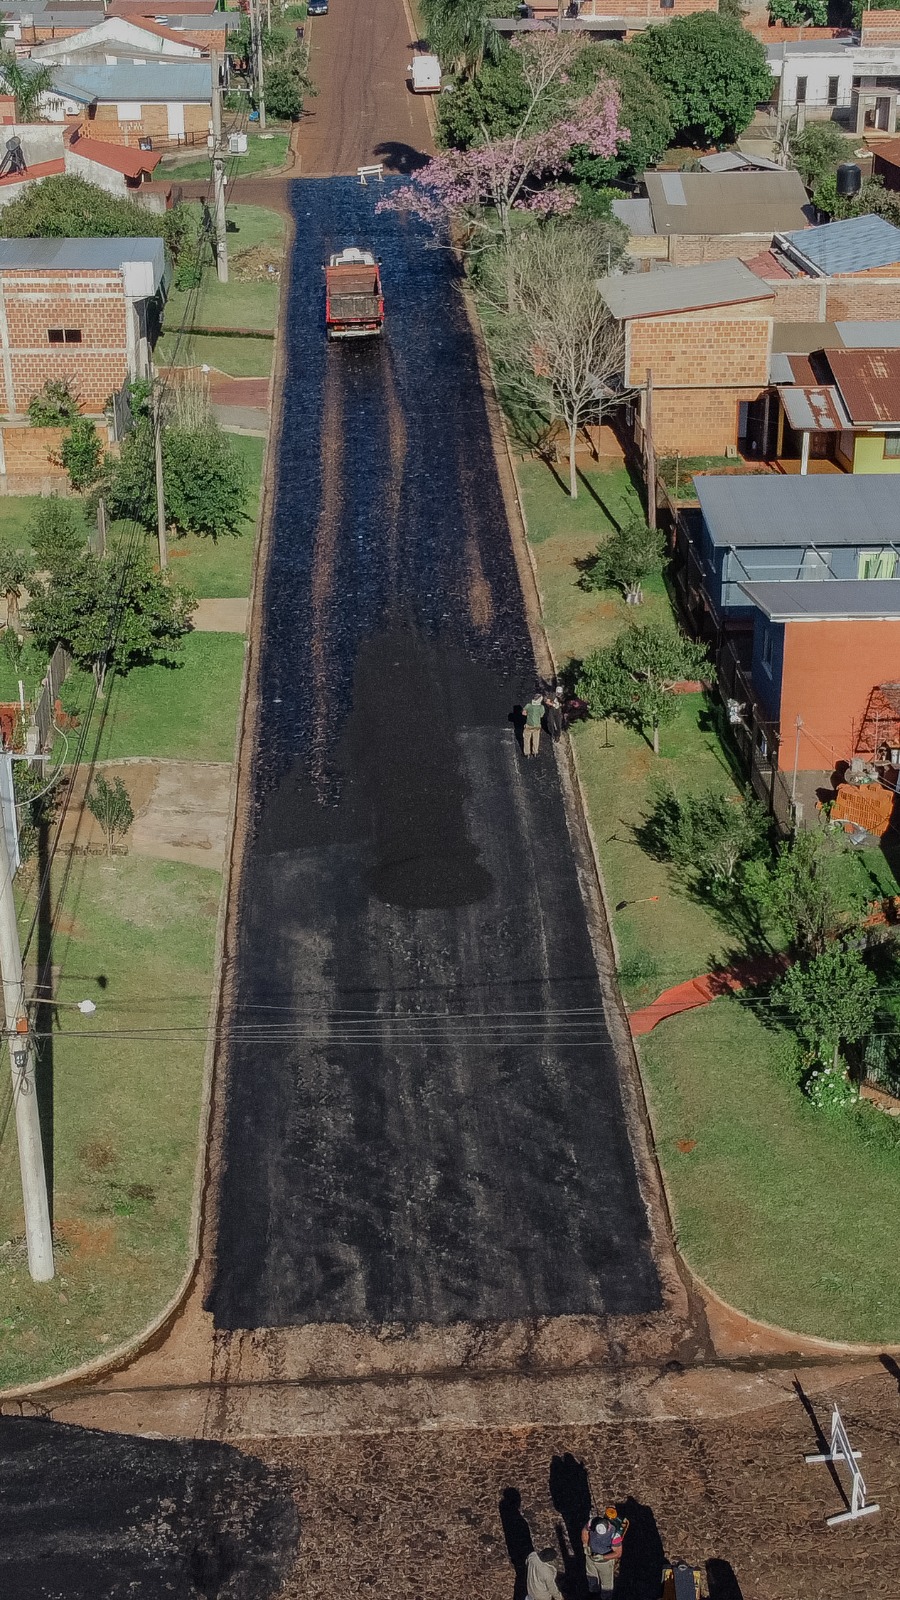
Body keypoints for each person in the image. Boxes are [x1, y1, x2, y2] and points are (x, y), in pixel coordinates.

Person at [582, 1512, 626, 1595]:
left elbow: (618, 1553)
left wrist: (603, 1557)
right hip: (590, 1556)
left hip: (605, 1563)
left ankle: (606, 1596)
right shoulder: (592, 1523)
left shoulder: (615, 1535)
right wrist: (585, 1545)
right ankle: (593, 1592)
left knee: (606, 1583)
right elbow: (584, 1532)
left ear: (608, 1528)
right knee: (591, 1576)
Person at [523, 691, 544, 758]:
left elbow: (524, 713)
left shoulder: (528, 705)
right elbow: (541, 715)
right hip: (537, 725)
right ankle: (535, 752)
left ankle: (527, 753)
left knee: (526, 739)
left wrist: (528, 714)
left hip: (529, 725)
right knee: (536, 739)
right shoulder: (541, 707)